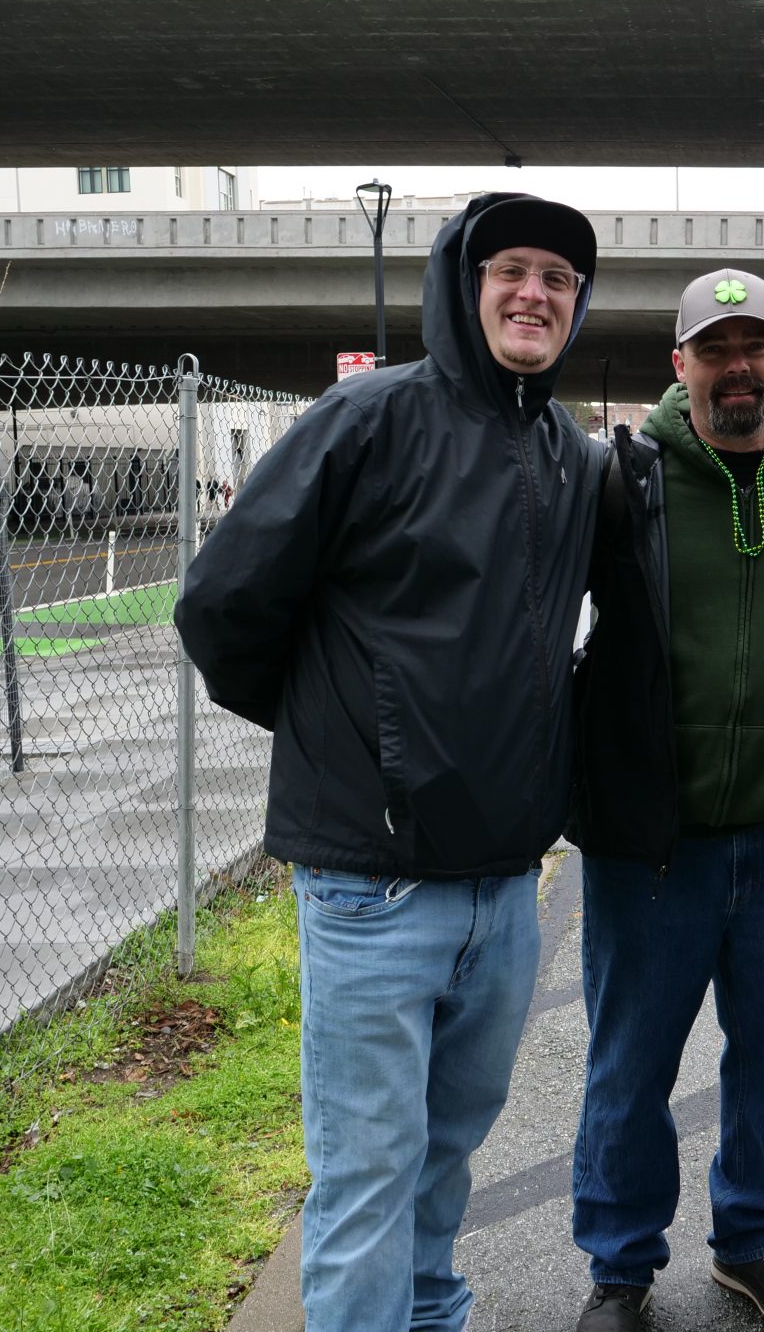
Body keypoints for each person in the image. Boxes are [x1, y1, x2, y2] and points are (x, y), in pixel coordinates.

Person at [175, 193, 605, 1332]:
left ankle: (431, 1313)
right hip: (373, 885)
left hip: (508, 886)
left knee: (446, 1152)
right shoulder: (369, 418)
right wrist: (344, 735)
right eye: (511, 269)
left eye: (559, 279)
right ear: (464, 285)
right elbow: (224, 601)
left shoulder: (570, 456)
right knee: (367, 1175)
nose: (534, 293)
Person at [567, 268, 764, 1332]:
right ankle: (621, 1267)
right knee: (630, 1067)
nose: (737, 367)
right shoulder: (623, 481)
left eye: (757, 347)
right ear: (681, 366)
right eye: (715, 349)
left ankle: (754, 1242)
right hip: (653, 846)